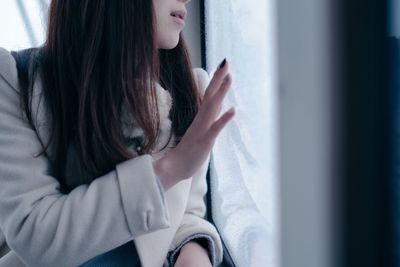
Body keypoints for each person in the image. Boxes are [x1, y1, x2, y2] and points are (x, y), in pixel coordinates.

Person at [0, 0, 235, 266]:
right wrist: (169, 170)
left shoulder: (190, 90)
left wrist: (195, 250)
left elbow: (184, 212)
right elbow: (36, 236)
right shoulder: (14, 79)